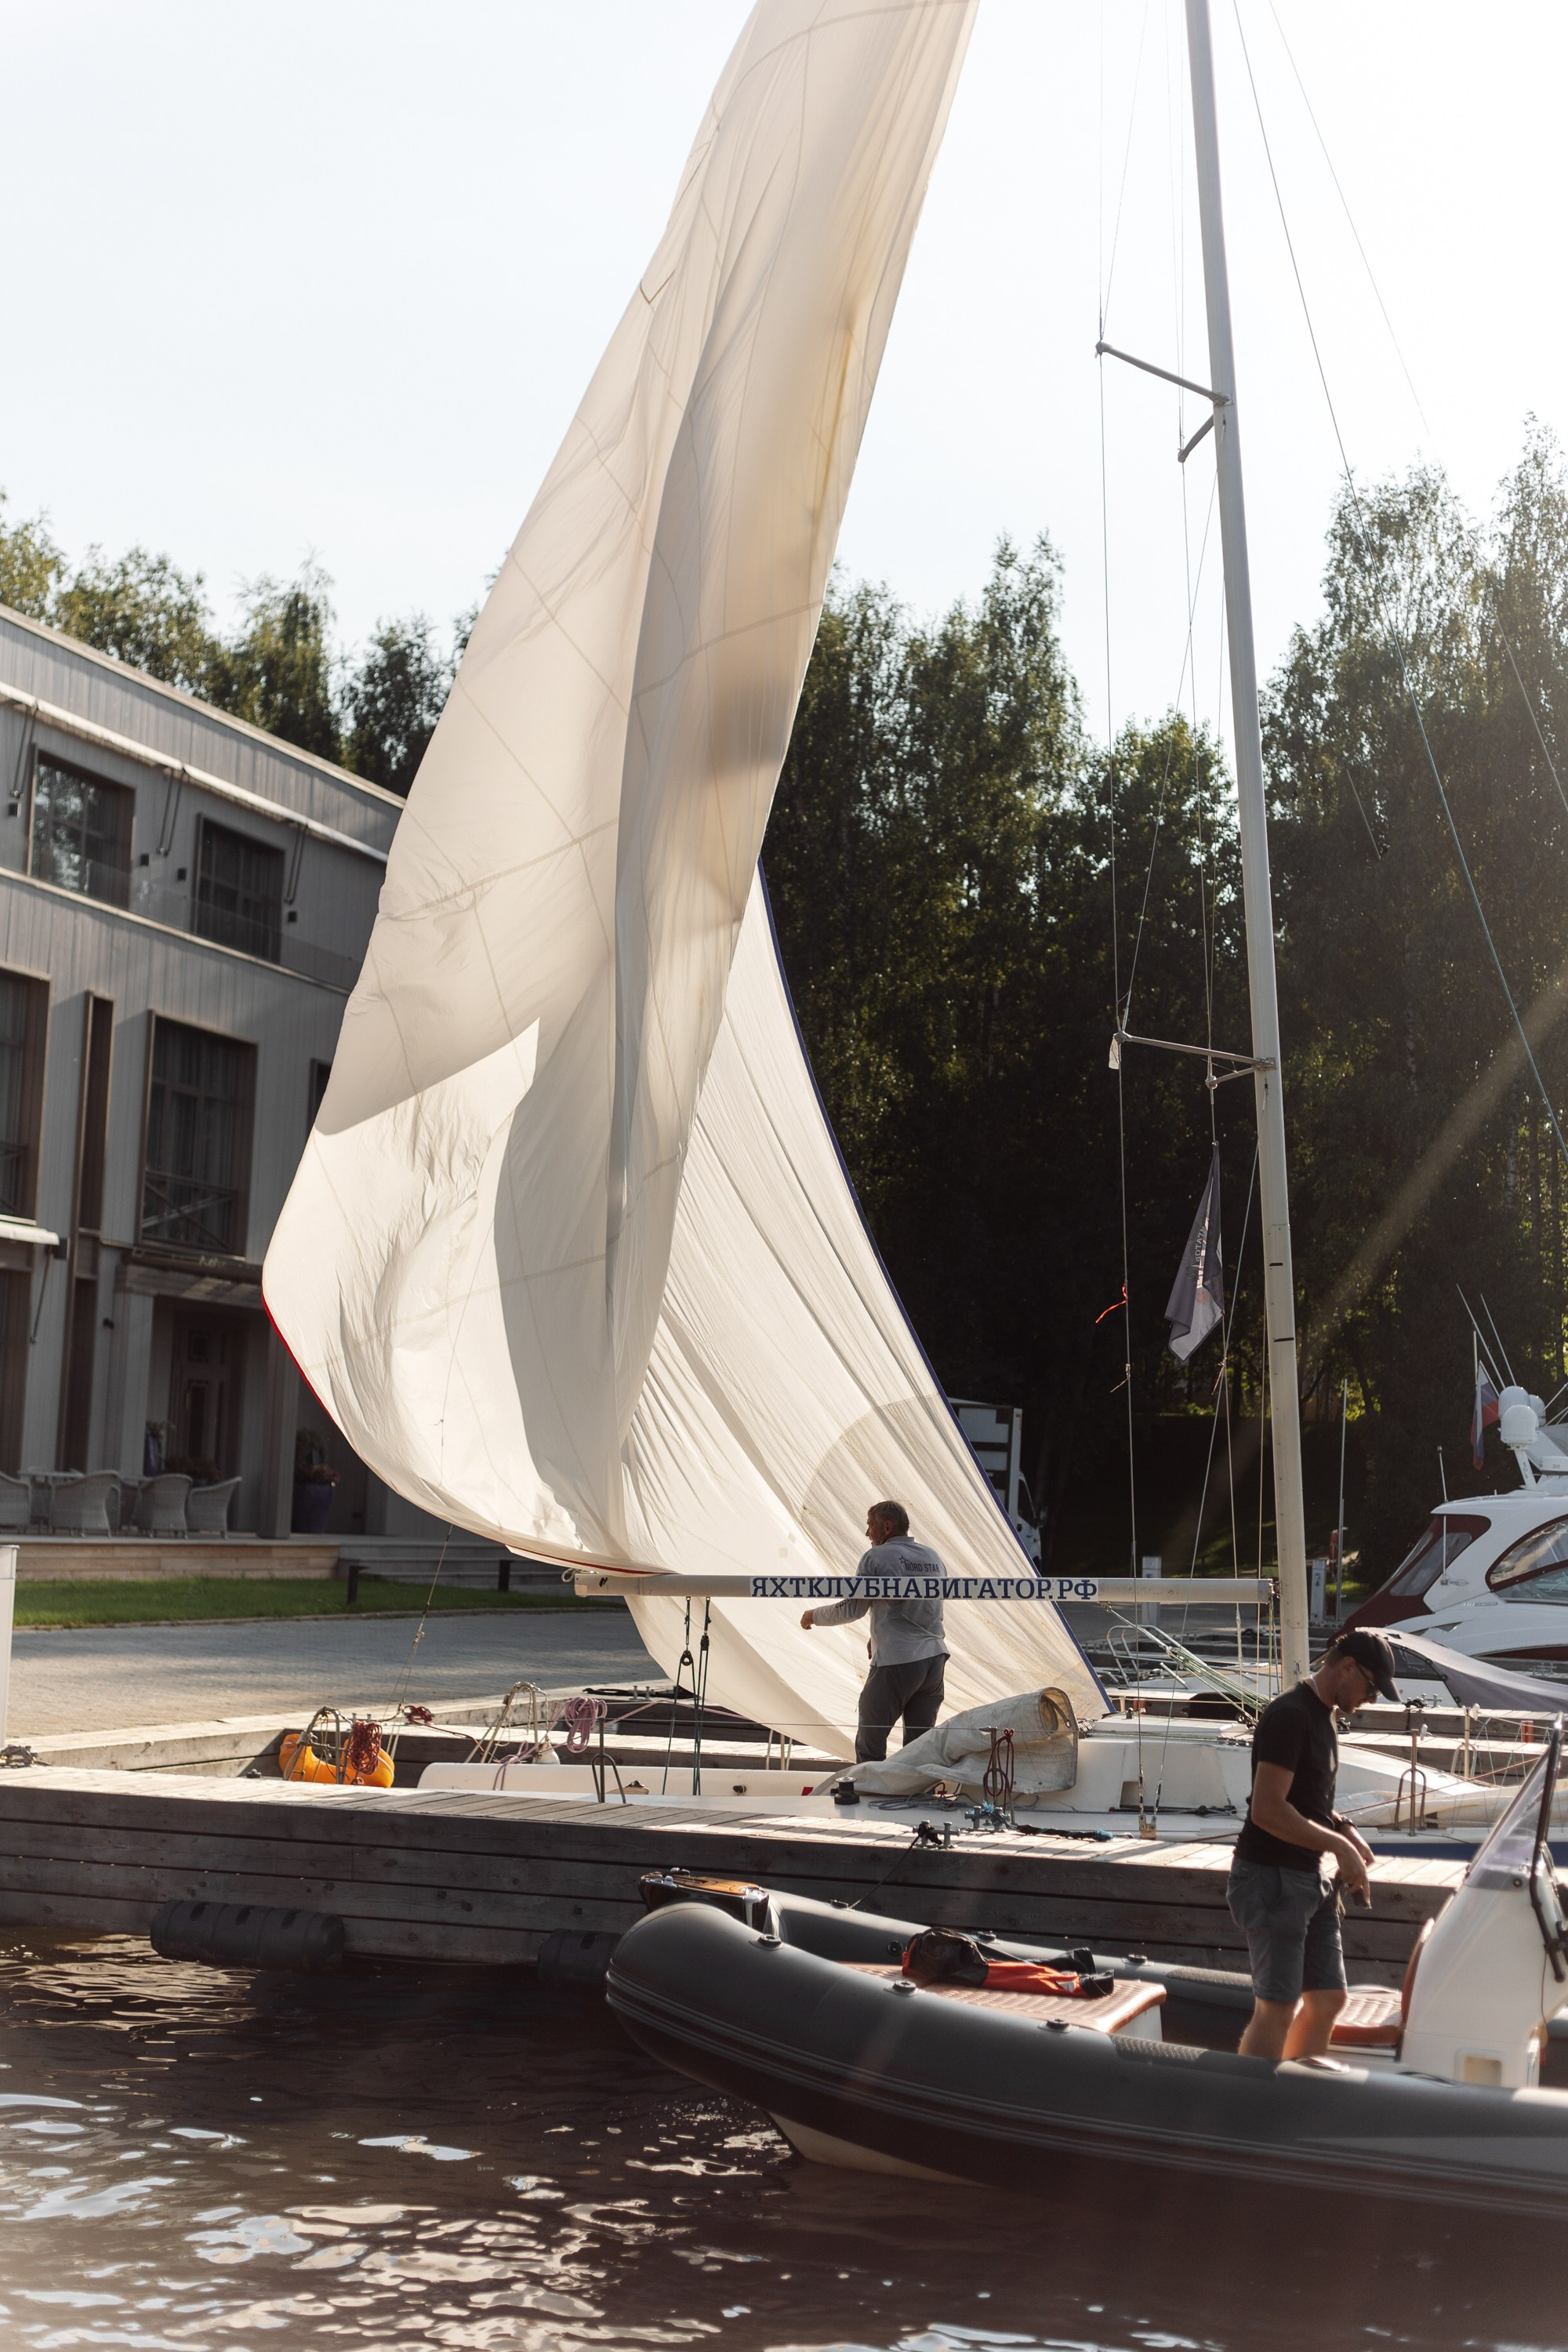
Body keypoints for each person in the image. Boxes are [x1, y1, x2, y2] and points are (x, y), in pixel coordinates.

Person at [1228, 1626, 1399, 2061]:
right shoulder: (1291, 1715)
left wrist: (1344, 1830)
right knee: (1278, 2007)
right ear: (1346, 1669)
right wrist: (1339, 1849)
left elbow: (1306, 1798)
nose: (1372, 1698)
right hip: (1271, 1878)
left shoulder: (1323, 1716)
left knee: (1328, 2000)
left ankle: (1295, 2090)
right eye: (1371, 1686)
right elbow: (1266, 1809)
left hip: (1309, 1877)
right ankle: (1250, 2108)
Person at [800, 1501, 948, 1762]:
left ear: (887, 1527)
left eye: (870, 1525)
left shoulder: (876, 1557)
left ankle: (869, 1798)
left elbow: (853, 1609)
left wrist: (814, 1616)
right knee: (920, 1746)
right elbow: (922, 1608)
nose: (867, 1533)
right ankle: (918, 1798)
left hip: (898, 1660)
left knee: (871, 1738)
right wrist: (878, 1634)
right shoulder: (932, 1557)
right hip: (934, 1660)